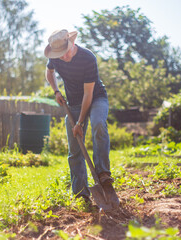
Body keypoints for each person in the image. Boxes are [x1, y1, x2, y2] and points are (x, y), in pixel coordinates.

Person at [44, 29, 119, 208]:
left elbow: (89, 94)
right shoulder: (55, 57)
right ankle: (81, 193)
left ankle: (103, 175)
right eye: (59, 55)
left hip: (95, 98)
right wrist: (56, 91)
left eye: (65, 53)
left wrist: (79, 122)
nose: (62, 57)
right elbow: (49, 73)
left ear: (72, 44)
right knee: (75, 147)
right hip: (73, 102)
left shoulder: (87, 58)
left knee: (99, 124)